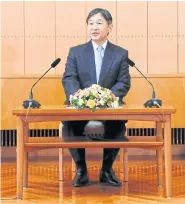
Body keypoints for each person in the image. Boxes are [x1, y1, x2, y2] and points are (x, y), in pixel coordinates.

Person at [62, 8, 131, 187]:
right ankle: (81, 170)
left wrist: (106, 98)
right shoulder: (76, 52)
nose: (94, 27)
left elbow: (123, 83)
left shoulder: (120, 54)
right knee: (69, 122)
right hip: (80, 106)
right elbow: (70, 78)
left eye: (99, 23)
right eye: (91, 23)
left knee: (118, 122)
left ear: (110, 27)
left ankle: (107, 170)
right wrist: (79, 96)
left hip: (109, 106)